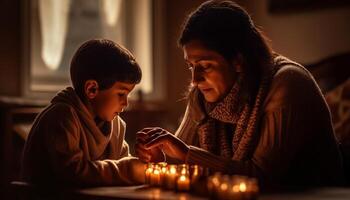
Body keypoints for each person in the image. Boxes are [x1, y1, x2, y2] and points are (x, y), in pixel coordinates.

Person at [135, 0, 344, 188]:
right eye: (191, 66)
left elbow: (262, 177)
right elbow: (180, 160)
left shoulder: (287, 83)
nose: (195, 79)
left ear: (238, 61)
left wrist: (186, 153)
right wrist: (160, 155)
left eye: (205, 66)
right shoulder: (202, 94)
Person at [21, 39, 145, 187]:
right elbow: (72, 173)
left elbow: (123, 168)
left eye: (128, 95)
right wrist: (129, 170)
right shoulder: (61, 117)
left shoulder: (116, 125)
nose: (126, 103)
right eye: (121, 94)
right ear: (92, 89)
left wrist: (144, 163)